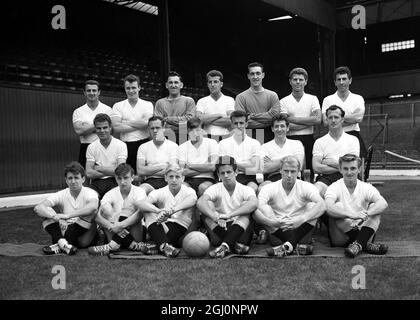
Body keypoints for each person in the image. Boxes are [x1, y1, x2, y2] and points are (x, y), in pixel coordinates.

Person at [254, 156, 325, 257]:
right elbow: (257, 208)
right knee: (262, 207)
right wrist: (271, 222)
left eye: (293, 171)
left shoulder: (306, 186)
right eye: (286, 171)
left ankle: (288, 246)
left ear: (298, 172)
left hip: (302, 232)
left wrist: (301, 219)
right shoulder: (269, 188)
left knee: (315, 205)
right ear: (280, 171)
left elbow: (323, 205)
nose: (289, 175)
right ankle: (295, 246)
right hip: (278, 231)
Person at [325, 154, 389, 258]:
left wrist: (366, 214)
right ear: (340, 170)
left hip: (362, 228)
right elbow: (328, 207)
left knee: (375, 208)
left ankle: (357, 245)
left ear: (359, 169)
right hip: (342, 236)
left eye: (353, 168)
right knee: (337, 207)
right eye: (345, 168)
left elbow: (383, 203)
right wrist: (352, 215)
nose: (349, 172)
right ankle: (365, 245)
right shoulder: (334, 187)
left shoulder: (366, 187)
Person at [88, 163, 157, 255]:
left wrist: (121, 225)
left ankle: (112, 246)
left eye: (125, 178)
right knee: (100, 211)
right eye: (119, 178)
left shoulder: (139, 191)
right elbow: (101, 213)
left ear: (132, 177)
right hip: (114, 229)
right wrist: (111, 223)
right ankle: (132, 245)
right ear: (115, 178)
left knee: (131, 209)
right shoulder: (110, 193)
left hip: (135, 232)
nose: (122, 182)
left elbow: (140, 213)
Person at [197, 156, 258, 258]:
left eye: (229, 172)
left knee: (247, 209)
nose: (226, 175)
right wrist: (214, 216)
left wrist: (230, 215)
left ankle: (225, 246)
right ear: (218, 174)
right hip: (220, 227)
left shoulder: (245, 189)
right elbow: (200, 202)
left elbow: (254, 203)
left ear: (236, 172)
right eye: (222, 173)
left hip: (240, 230)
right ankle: (232, 246)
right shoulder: (215, 188)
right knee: (205, 211)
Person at [133, 164, 198, 257]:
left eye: (177, 177)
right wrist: (158, 211)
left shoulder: (189, 191)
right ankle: (165, 247)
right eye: (171, 177)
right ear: (165, 178)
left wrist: (171, 211)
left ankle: (157, 246)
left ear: (183, 178)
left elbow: (193, 200)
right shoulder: (160, 191)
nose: (174, 180)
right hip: (161, 225)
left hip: (180, 227)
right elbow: (140, 203)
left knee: (156, 224)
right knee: (147, 211)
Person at [34, 162, 99, 255]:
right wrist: (56, 217)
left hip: (83, 233)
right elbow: (38, 208)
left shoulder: (90, 192)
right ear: (66, 180)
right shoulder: (61, 194)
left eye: (76, 178)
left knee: (92, 212)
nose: (73, 181)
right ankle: (64, 245)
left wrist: (67, 216)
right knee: (45, 211)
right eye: (70, 178)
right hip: (65, 230)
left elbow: (93, 207)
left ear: (83, 179)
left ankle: (59, 245)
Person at [280, 68, 321, 181]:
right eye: (295, 79)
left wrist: (292, 119)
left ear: (305, 82)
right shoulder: (283, 101)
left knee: (309, 171)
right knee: (292, 169)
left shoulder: (312, 99)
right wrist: (308, 122)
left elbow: (318, 120)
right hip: (290, 138)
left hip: (309, 138)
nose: (298, 82)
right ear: (290, 81)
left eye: (301, 79)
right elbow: (284, 124)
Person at [312, 105, 360, 198]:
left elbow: (353, 165)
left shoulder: (353, 140)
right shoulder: (319, 142)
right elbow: (316, 167)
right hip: (326, 178)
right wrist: (342, 167)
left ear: (342, 119)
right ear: (327, 120)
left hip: (348, 177)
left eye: (336, 117)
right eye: (330, 117)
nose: (333, 120)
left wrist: (330, 162)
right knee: (315, 192)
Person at [111, 74, 154, 175]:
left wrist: (125, 122)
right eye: (128, 88)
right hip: (125, 145)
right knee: (127, 175)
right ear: (125, 89)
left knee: (143, 175)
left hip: (144, 143)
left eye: (134, 87)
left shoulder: (147, 104)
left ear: (139, 87)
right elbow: (116, 127)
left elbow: (146, 123)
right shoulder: (118, 105)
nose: (131, 91)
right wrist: (139, 123)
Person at [321, 66, 367, 159]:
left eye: (344, 79)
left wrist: (335, 116)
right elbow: (326, 122)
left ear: (350, 80)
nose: (341, 82)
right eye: (339, 79)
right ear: (335, 82)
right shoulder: (328, 100)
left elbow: (358, 118)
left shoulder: (358, 98)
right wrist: (350, 119)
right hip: (333, 137)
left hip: (353, 134)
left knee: (357, 167)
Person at [235, 62, 284, 143]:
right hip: (248, 135)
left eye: (258, 73)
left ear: (263, 75)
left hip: (269, 135)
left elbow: (275, 117)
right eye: (252, 74)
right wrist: (267, 121)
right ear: (248, 76)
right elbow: (241, 121)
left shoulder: (272, 95)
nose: (255, 77)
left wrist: (251, 116)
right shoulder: (240, 97)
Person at [218, 110, 262, 193]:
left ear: (246, 124)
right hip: (228, 176)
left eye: (241, 123)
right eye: (235, 123)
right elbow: (223, 166)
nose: (238, 126)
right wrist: (247, 165)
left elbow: (255, 168)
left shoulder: (255, 143)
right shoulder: (223, 143)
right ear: (231, 124)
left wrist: (232, 163)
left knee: (252, 189)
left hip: (249, 178)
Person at [85, 113, 128, 199]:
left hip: (115, 181)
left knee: (112, 201)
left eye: (105, 127)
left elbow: (120, 171)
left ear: (110, 128)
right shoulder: (91, 147)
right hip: (97, 182)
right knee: (89, 200)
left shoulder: (121, 145)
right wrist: (112, 171)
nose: (102, 131)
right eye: (98, 128)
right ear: (95, 129)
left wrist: (99, 168)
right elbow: (89, 173)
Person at [72, 80, 112, 168]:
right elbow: (79, 130)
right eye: (88, 90)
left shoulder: (108, 110)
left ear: (99, 92)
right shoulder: (78, 111)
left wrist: (86, 126)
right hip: (85, 146)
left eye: (94, 90)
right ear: (84, 92)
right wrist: (100, 125)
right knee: (85, 176)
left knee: (104, 175)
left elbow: (110, 130)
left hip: (104, 146)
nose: (91, 93)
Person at [137, 116, 178, 195]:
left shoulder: (173, 146)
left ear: (164, 127)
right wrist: (162, 167)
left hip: (168, 181)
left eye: (158, 128)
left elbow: (172, 170)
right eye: (152, 128)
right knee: (141, 190)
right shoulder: (143, 147)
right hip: (150, 182)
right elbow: (140, 171)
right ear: (149, 129)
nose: (155, 131)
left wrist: (148, 172)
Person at [260, 115, 305, 187]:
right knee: (262, 188)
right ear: (272, 129)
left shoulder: (297, 143)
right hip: (272, 179)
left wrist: (273, 163)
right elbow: (263, 168)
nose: (279, 129)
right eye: (276, 126)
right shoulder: (264, 147)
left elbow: (299, 165)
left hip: (293, 178)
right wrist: (289, 158)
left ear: (287, 128)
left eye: (282, 126)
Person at [154, 71, 196, 144]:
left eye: (176, 82)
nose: (173, 85)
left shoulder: (189, 101)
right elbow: (158, 124)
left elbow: (190, 122)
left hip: (185, 137)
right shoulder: (159, 103)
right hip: (166, 137)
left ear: (181, 85)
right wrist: (181, 120)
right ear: (166, 85)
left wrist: (169, 119)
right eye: (170, 82)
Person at [196, 70, 235, 141]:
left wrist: (206, 120)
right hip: (206, 139)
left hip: (225, 138)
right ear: (207, 84)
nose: (212, 84)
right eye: (210, 82)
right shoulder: (201, 101)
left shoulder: (230, 100)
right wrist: (219, 115)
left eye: (215, 82)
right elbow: (198, 120)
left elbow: (231, 121)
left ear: (221, 84)